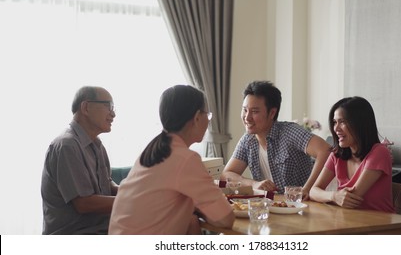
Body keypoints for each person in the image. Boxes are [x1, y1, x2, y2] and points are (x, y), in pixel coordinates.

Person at [109, 85, 234, 235]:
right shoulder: (186, 159)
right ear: (197, 117)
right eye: (208, 116)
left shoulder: (152, 150)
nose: (208, 122)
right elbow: (226, 219)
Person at [221, 81, 331, 199]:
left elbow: (326, 150)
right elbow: (226, 174)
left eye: (254, 111)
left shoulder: (289, 132)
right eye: (245, 110)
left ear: (272, 113)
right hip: (271, 207)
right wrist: (254, 183)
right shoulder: (248, 140)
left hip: (301, 207)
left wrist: (307, 189)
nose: (247, 117)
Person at [41, 86, 118, 234]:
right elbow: (84, 203)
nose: (113, 114)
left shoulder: (97, 144)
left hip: (101, 229)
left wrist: (133, 191)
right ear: (86, 107)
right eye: (108, 106)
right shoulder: (67, 145)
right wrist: (132, 201)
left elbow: (107, 183)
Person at [309, 96, 395, 212]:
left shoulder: (379, 152)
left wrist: (330, 196)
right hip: (347, 221)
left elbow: (351, 199)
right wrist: (334, 196)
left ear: (360, 124)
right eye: (335, 122)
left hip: (379, 226)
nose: (336, 128)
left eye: (342, 122)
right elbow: (313, 191)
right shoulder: (337, 155)